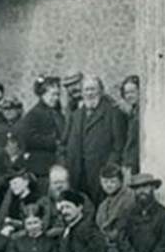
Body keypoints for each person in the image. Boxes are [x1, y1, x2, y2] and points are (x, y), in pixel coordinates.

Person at [62, 75, 127, 205]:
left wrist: (109, 170)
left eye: (93, 89)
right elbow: (65, 142)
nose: (89, 93)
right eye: (86, 90)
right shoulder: (76, 115)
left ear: (101, 91)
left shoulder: (113, 113)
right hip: (78, 174)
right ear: (82, 93)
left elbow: (119, 146)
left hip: (101, 174)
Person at [95, 163, 136, 252]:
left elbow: (123, 227)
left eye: (112, 181)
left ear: (120, 181)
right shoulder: (103, 205)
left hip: (123, 249)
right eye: (105, 182)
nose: (109, 185)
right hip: (106, 247)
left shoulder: (129, 198)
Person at [17, 77, 64, 193]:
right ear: (43, 94)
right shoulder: (34, 114)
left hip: (57, 164)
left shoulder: (57, 114)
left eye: (58, 95)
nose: (56, 98)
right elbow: (27, 139)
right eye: (52, 95)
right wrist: (53, 141)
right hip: (41, 168)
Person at [0, 167, 44, 238]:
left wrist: (13, 222)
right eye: (10, 184)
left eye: (15, 183)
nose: (13, 187)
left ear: (26, 182)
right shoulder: (14, 202)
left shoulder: (37, 199)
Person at [119, 75, 141, 177]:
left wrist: (129, 165)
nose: (129, 96)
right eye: (126, 93)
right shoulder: (132, 113)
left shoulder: (141, 114)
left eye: (132, 92)